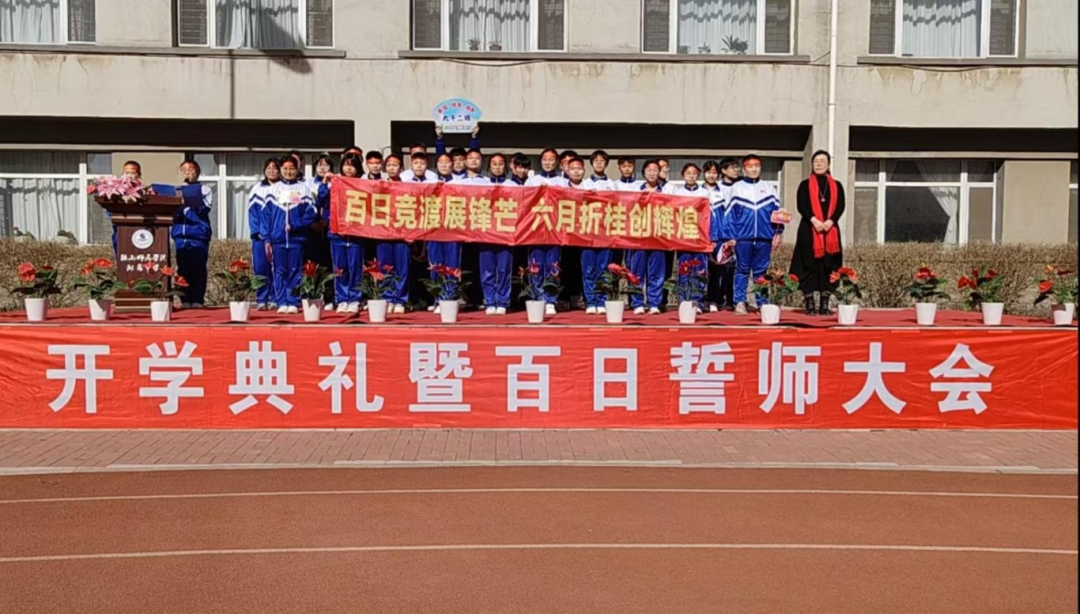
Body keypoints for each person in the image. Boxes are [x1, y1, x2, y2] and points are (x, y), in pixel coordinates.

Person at [790, 150, 846, 316]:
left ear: (828, 165)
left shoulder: (837, 185)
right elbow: (802, 205)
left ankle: (824, 303)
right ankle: (809, 303)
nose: (819, 164)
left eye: (822, 161)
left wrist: (830, 221)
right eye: (816, 161)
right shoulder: (805, 185)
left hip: (830, 231)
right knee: (808, 265)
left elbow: (840, 206)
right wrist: (814, 220)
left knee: (828, 266)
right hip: (809, 229)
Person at [729, 154, 784, 315]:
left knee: (761, 272)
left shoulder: (769, 188)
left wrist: (778, 232)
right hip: (743, 237)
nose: (754, 169)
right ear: (744, 169)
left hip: (764, 237)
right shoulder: (737, 187)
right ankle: (739, 301)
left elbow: (777, 213)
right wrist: (731, 236)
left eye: (757, 165)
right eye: (750, 166)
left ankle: (762, 303)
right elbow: (730, 214)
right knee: (742, 270)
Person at [264, 157, 319, 315]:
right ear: (281, 169)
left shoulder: (303, 189)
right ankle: (282, 301)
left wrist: (295, 225)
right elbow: (266, 216)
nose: (288, 172)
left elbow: (311, 213)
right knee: (279, 271)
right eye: (285, 169)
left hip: (296, 239)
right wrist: (267, 238)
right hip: (278, 239)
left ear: (297, 169)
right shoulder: (273, 189)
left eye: (292, 169)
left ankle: (293, 301)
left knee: (295, 270)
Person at [664, 163, 710, 313]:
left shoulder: (704, 193)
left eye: (694, 173)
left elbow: (709, 216)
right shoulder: (677, 193)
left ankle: (698, 302)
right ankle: (683, 300)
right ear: (682, 175)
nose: (691, 176)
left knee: (700, 270)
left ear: (698, 176)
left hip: (700, 237)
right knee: (684, 269)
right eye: (688, 173)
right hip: (683, 237)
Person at [625, 160, 666, 315]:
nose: (652, 173)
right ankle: (637, 303)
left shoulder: (668, 191)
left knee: (656, 273)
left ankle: (654, 303)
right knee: (636, 272)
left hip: (658, 237)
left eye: (655, 170)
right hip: (638, 237)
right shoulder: (635, 189)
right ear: (643, 173)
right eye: (649, 170)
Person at [172, 160, 213, 309]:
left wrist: (190, 198)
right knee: (182, 269)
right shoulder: (176, 189)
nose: (188, 172)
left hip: (198, 234)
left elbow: (204, 210)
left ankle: (197, 299)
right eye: (184, 170)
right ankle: (185, 299)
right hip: (180, 235)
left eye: (191, 169)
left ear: (197, 172)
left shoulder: (205, 189)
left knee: (198, 268)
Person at [530, 149, 565, 315]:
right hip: (535, 229)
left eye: (552, 159)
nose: (548, 162)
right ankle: (537, 298)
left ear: (557, 162)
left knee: (553, 265)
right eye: (545, 159)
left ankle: (551, 300)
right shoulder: (532, 180)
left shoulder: (563, 181)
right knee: (535, 265)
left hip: (555, 229)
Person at [376, 154, 410, 314]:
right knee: (385, 267)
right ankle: (387, 297)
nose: (391, 168)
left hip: (402, 233)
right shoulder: (379, 186)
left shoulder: (408, 187)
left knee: (402, 268)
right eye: (388, 165)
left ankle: (400, 299)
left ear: (401, 168)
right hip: (383, 233)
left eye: (395, 165)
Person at [246, 158, 280, 311]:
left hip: (278, 236)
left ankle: (274, 297)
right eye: (269, 168)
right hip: (260, 237)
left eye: (275, 168)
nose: (272, 171)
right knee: (261, 268)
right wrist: (258, 232)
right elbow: (252, 213)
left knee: (277, 268)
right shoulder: (257, 188)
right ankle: (261, 298)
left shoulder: (284, 188)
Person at [308, 154, 336, 309]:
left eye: (326, 165)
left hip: (329, 228)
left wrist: (328, 221)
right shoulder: (307, 184)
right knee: (312, 265)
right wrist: (312, 222)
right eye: (319, 165)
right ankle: (312, 296)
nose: (322, 168)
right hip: (312, 229)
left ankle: (329, 297)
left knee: (328, 265)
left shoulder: (336, 183)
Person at [110, 160, 143, 256]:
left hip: (138, 226)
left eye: (132, 173)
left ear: (138, 175)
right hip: (120, 226)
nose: (129, 176)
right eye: (126, 173)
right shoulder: (116, 187)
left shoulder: (142, 189)